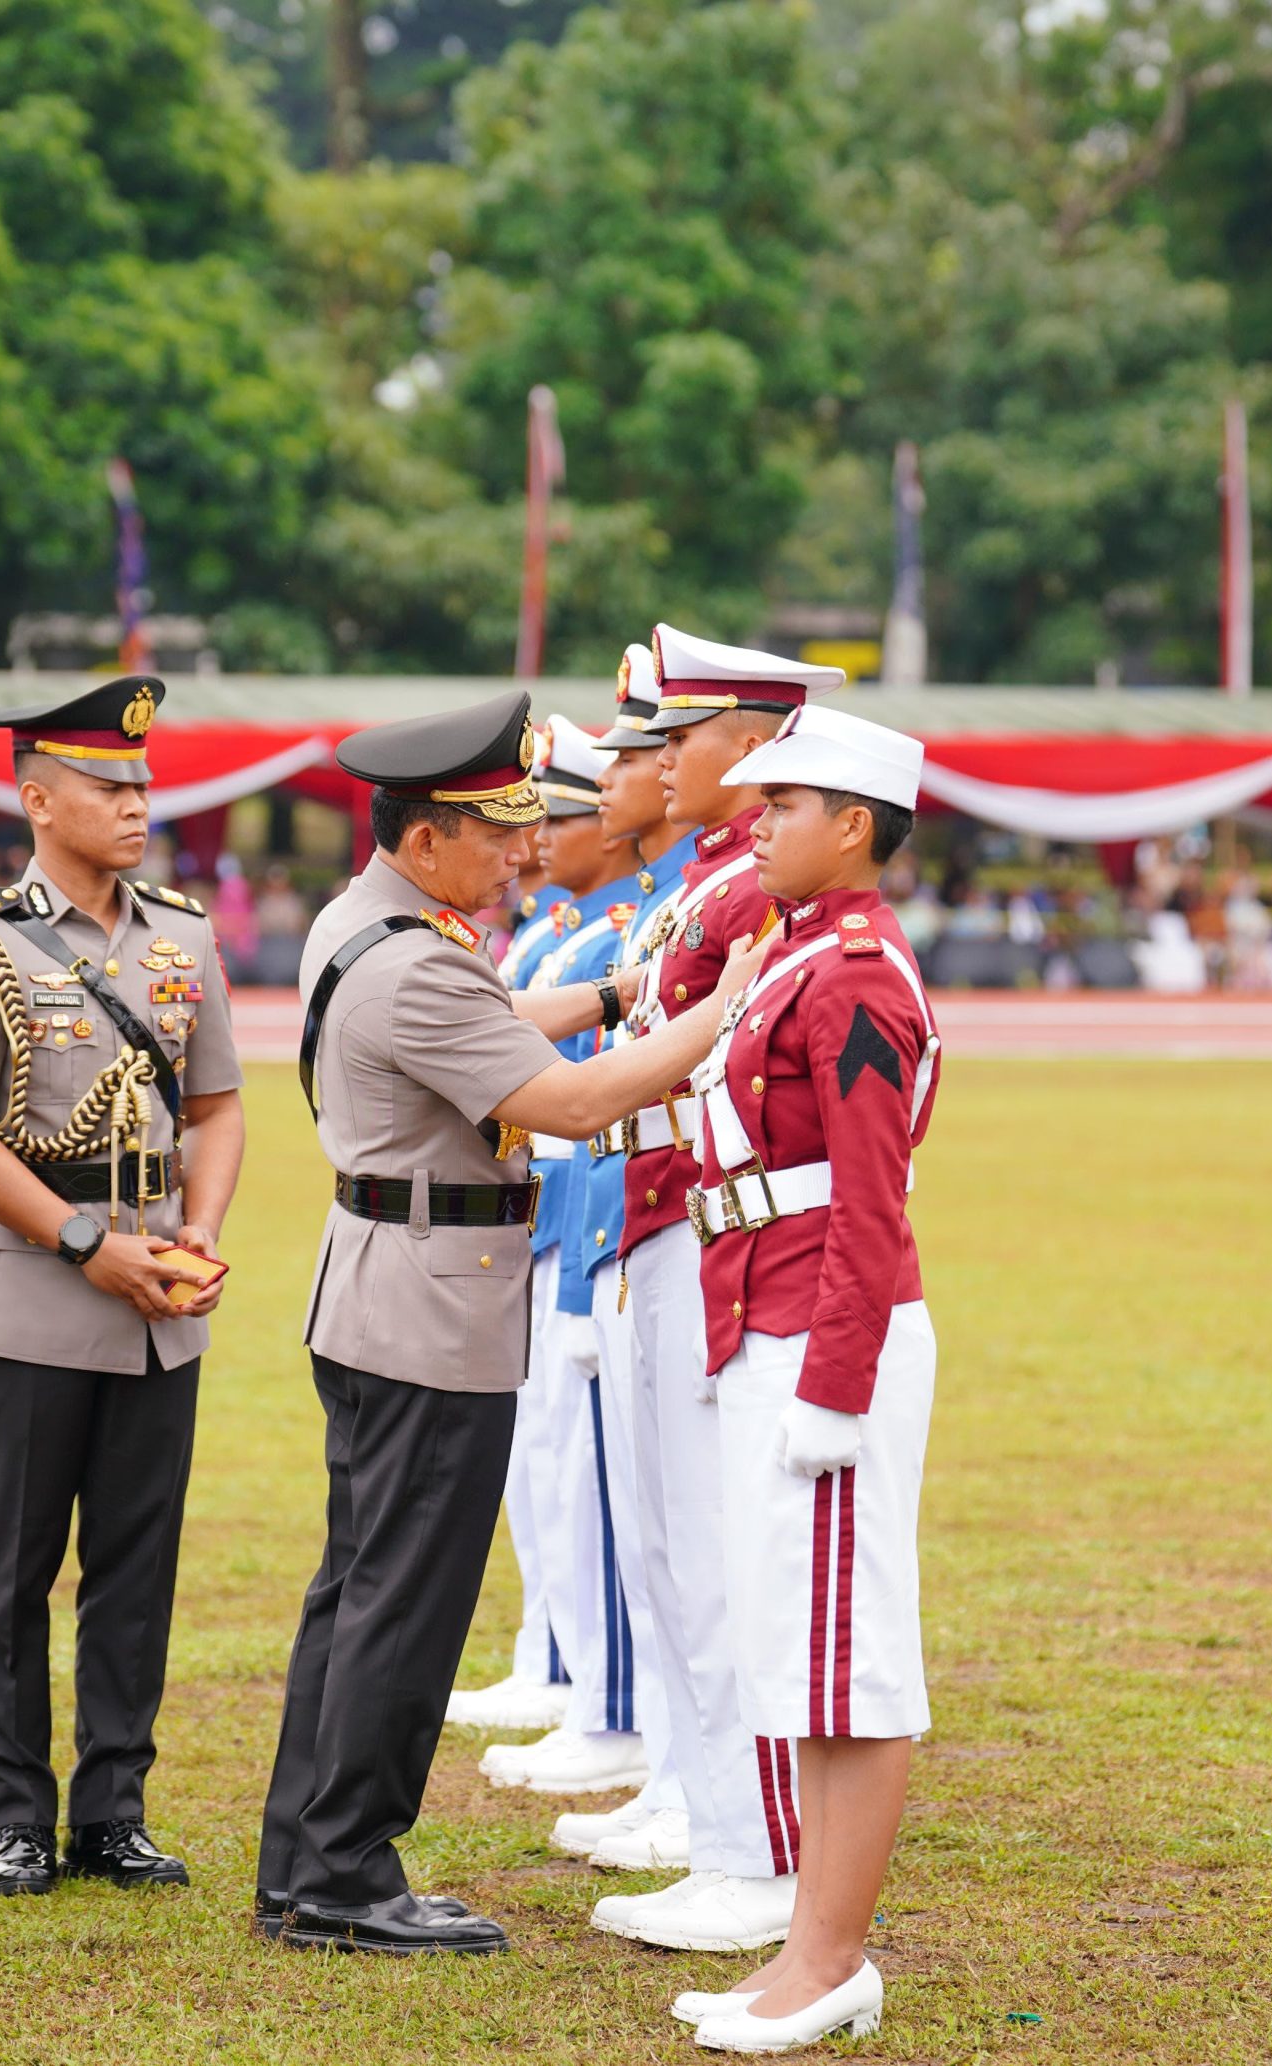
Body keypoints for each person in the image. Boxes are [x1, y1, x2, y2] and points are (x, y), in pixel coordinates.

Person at [257, 687, 763, 1957]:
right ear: (427, 837)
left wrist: (615, 990)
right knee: (405, 1597)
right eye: (495, 832)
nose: (521, 851)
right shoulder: (421, 958)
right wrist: (718, 1010)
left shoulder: (369, 923)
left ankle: (303, 1858)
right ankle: (347, 1872)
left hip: (386, 1284)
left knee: (356, 1586)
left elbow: (487, 1026)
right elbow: (572, 1105)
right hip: (431, 1304)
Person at [0, 675, 243, 1897]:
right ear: (39, 800)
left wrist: (198, 1231)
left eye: (144, 783)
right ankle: (18, 1817)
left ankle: (112, 1811)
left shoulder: (182, 933)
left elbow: (217, 1106)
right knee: (10, 1574)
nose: (138, 803)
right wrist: (83, 1242)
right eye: (109, 786)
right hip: (33, 1295)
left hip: (160, 1306)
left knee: (135, 1572)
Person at [669, 702, 941, 2054]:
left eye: (782, 805)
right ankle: (804, 1948)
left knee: (850, 1657)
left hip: (828, 1329)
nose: (756, 821)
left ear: (853, 825)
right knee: (803, 1653)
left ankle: (833, 1957)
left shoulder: (856, 974)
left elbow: (870, 1200)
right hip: (768, 1313)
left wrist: (834, 1382)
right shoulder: (797, 953)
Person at [594, 625, 843, 1960]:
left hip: (708, 1229)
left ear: (750, 743)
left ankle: (751, 1851)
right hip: (655, 1213)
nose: (657, 762)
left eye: (679, 737)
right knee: (673, 1547)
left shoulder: (753, 887)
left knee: (714, 1551)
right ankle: (711, 1822)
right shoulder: (711, 881)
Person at [535, 645, 690, 1871]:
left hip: (651, 1229)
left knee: (661, 1521)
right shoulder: (625, 917)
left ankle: (632, 1727)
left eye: (658, 748)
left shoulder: (682, 906)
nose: (537, 836)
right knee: (596, 1495)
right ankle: (630, 1730)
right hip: (589, 1224)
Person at [443, 775, 576, 1739]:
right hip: (544, 1222)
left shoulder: (600, 931)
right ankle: (556, 1663)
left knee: (583, 1480)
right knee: (544, 1472)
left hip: (584, 1223)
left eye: (559, 818)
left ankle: (595, 1693)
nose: (533, 845)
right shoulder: (545, 934)